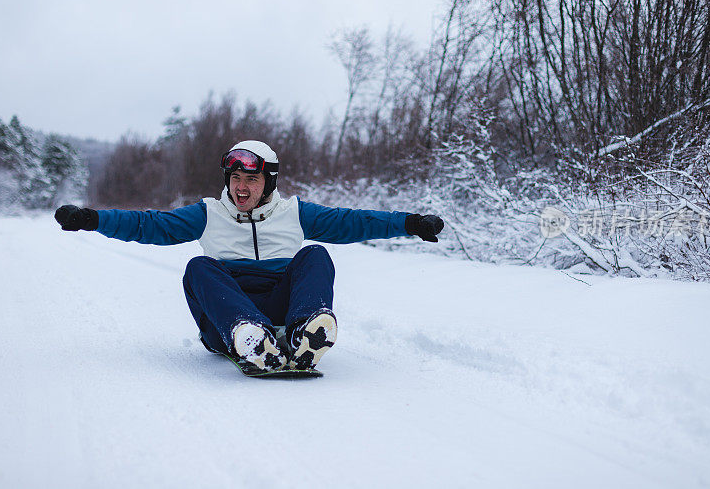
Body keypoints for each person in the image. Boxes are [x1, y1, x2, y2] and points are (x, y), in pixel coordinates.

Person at [54, 140, 444, 374]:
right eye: (235, 179)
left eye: (251, 179)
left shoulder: (294, 213)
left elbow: (353, 222)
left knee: (316, 255)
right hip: (227, 321)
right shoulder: (209, 213)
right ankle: (248, 338)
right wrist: (92, 219)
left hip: (278, 307)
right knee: (199, 267)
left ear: (268, 182)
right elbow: (150, 225)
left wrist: (409, 223)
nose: (241, 188)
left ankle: (302, 333)